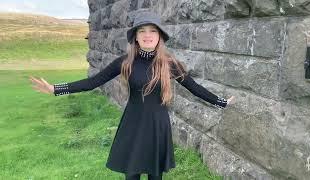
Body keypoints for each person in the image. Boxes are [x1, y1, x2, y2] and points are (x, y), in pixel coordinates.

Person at [29, 11, 235, 180]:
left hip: (157, 126)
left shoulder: (170, 64)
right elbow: (92, 82)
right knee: (132, 175)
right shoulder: (125, 62)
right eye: (142, 31)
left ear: (159, 36)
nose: (147, 35)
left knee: (155, 176)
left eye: (152, 30)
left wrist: (221, 102)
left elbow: (194, 87)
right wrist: (56, 89)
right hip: (133, 125)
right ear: (135, 36)